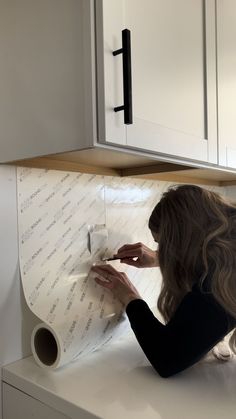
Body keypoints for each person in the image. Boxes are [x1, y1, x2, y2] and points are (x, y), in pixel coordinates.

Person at [91, 184, 236, 378]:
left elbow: (168, 358)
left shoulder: (223, 280)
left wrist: (130, 297)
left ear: (183, 243)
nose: (164, 251)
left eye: (165, 244)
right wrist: (162, 257)